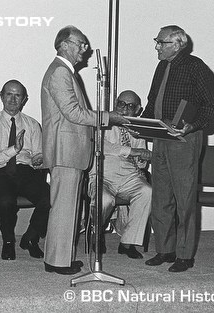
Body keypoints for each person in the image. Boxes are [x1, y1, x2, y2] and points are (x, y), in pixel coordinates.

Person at [41, 25, 129, 275]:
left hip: (71, 151)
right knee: (63, 207)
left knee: (68, 208)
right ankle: (57, 262)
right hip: (66, 151)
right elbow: (72, 112)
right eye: (80, 44)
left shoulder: (65, 72)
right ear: (64, 45)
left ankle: (61, 258)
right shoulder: (59, 72)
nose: (85, 49)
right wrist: (108, 117)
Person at [141, 25, 214, 272]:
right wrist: (139, 123)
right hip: (161, 138)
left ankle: (185, 255)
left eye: (161, 42)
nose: (157, 46)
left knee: (184, 199)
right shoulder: (162, 66)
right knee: (161, 197)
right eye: (157, 41)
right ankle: (166, 250)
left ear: (177, 44)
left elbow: (210, 109)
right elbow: (153, 103)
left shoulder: (196, 67)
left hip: (184, 139)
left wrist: (190, 126)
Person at [0, 80, 50, 260]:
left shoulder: (33, 125)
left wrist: (39, 160)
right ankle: (8, 241)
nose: (12, 99)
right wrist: (15, 149)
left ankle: (30, 238)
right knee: (4, 201)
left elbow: (39, 155)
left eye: (17, 95)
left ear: (24, 99)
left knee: (51, 196)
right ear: (1, 96)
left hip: (26, 172)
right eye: (9, 94)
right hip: (0, 172)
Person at [88, 90, 151, 259]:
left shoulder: (138, 128)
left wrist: (142, 159)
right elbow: (103, 146)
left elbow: (141, 160)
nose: (124, 109)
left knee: (147, 191)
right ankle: (96, 231)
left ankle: (127, 243)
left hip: (128, 177)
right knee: (105, 199)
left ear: (138, 110)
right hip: (103, 175)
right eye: (121, 104)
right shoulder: (103, 121)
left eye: (130, 106)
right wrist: (133, 151)